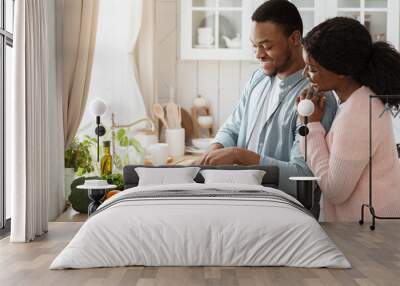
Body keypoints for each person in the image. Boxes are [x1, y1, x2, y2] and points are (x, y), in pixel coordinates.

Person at [197, 0, 337, 197]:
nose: (258, 54)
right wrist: (212, 154)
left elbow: (302, 177)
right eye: (254, 46)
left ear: (295, 38)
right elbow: (232, 128)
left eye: (266, 46)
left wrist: (240, 156)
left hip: (284, 212)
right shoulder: (257, 79)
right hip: (243, 200)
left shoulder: (315, 98)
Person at [298, 17, 400, 221]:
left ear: (343, 70)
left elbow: (335, 191)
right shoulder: (357, 101)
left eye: (313, 69)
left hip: (372, 238)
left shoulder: (358, 114)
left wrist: (310, 126)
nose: (305, 74)